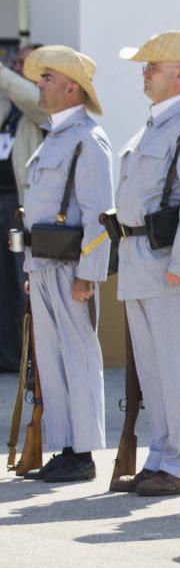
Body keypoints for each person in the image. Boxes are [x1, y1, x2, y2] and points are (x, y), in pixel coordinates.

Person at [108, 31, 180, 496]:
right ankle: (161, 457)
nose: (144, 72)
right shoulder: (152, 127)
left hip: (169, 264)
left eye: (153, 66)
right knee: (153, 374)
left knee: (176, 370)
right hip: (140, 261)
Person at [20, 45, 113, 482]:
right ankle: (66, 446)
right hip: (43, 262)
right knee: (52, 360)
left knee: (77, 355)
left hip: (70, 266)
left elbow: (98, 213)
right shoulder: (54, 136)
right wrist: (29, 269)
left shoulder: (88, 140)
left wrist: (88, 274)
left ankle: (84, 451)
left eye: (48, 79)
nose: (40, 85)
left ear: (72, 88)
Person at [0, 44, 46, 371]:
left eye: (23, 63)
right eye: (13, 62)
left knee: (18, 283)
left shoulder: (40, 104)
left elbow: (31, 97)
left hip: (16, 204)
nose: (16, 67)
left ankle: (17, 356)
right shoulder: (10, 101)